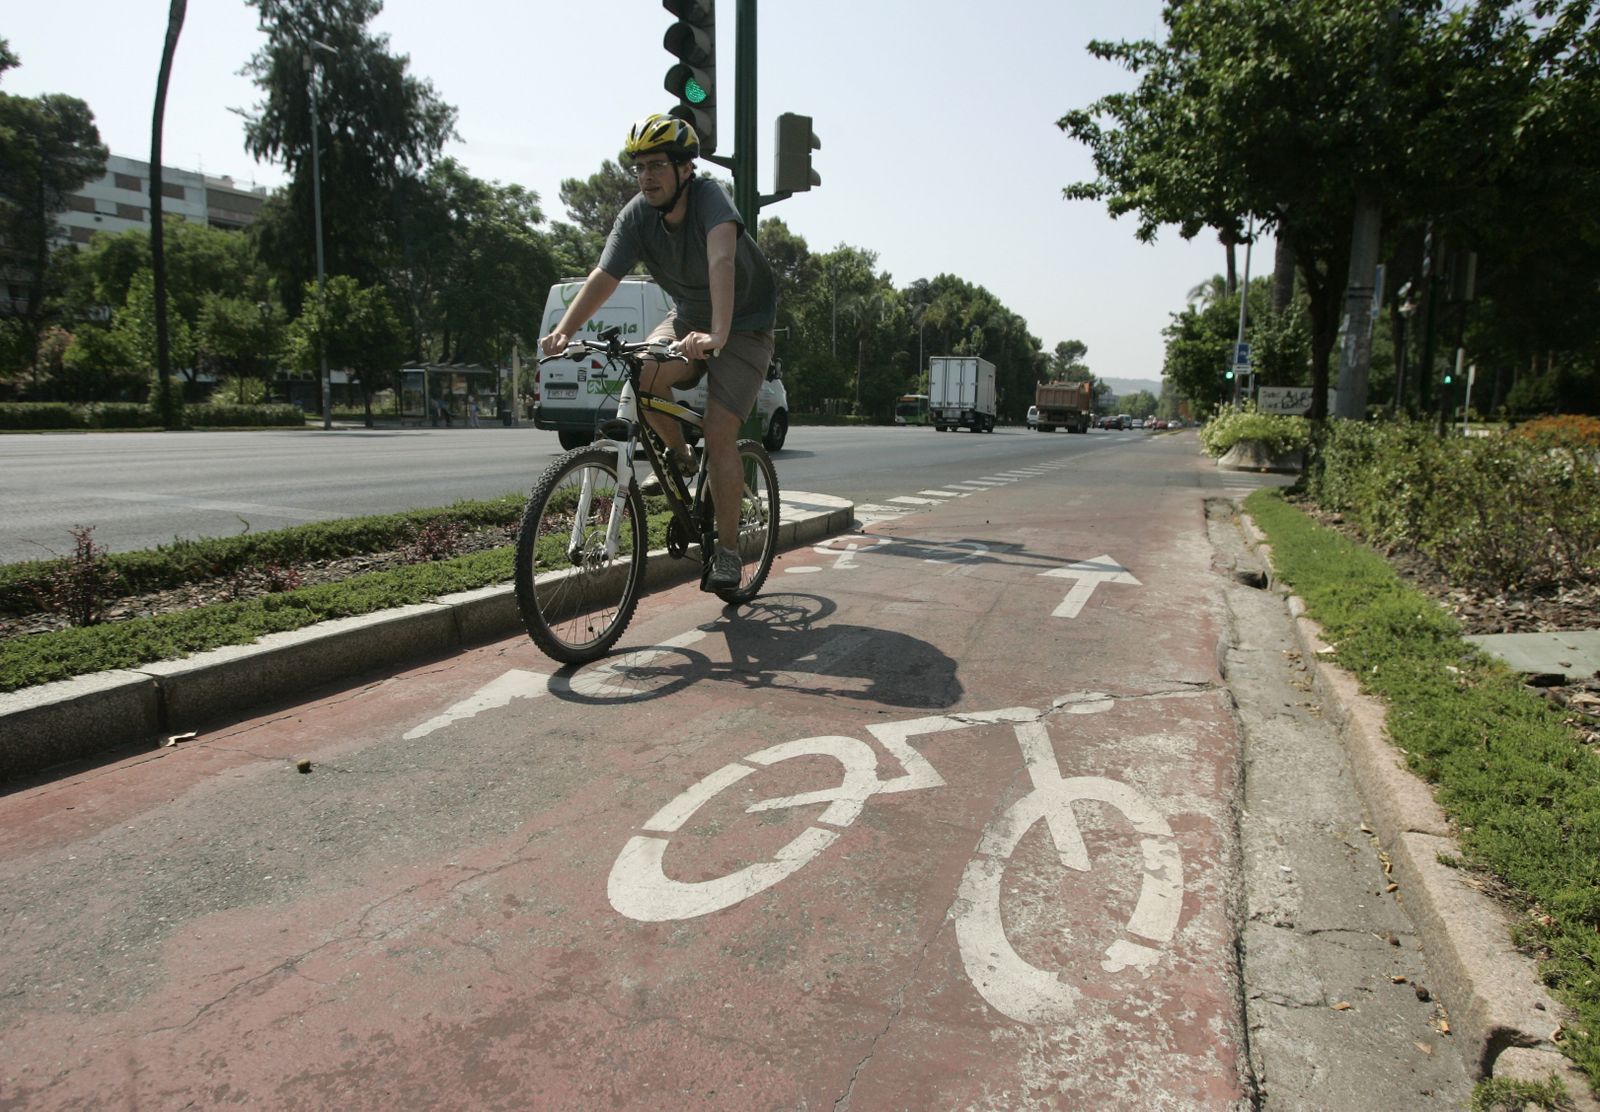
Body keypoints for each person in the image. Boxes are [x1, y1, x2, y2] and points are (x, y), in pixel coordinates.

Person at [539, 113, 777, 590]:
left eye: (657, 166)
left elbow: (722, 261)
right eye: (639, 167)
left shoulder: (711, 199)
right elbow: (604, 277)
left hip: (745, 324)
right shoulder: (637, 216)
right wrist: (564, 330)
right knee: (642, 375)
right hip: (690, 314)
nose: (646, 176)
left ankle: (728, 554)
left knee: (720, 429)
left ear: (685, 168)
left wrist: (720, 335)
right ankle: (679, 455)